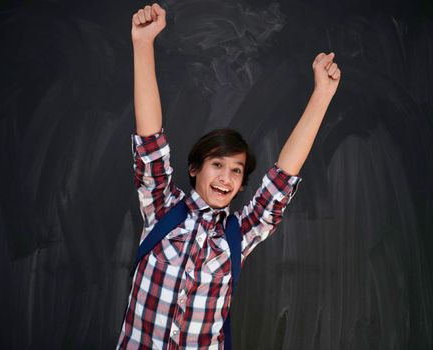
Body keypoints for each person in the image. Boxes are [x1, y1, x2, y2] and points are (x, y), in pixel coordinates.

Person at [117, 3, 341, 349]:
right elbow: (149, 140)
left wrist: (322, 95)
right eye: (217, 165)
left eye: (236, 170)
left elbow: (282, 179)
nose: (226, 177)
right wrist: (143, 44)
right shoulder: (161, 208)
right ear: (195, 169)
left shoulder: (239, 236)